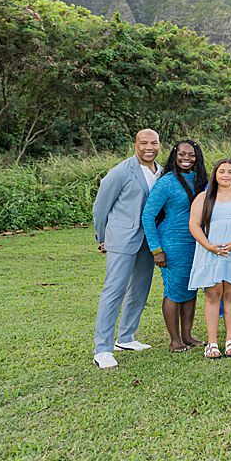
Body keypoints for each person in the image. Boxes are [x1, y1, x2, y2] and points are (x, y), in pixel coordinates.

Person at [92, 128, 162, 369]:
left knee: (140, 289)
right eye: (144, 143)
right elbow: (101, 207)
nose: (149, 147)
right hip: (122, 238)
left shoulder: (161, 172)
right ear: (135, 145)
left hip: (148, 240)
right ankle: (102, 349)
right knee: (114, 291)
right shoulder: (120, 172)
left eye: (153, 143)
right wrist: (101, 237)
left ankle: (126, 337)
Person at [188, 158, 231, 359]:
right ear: (215, 175)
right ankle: (211, 342)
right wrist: (209, 246)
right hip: (211, 251)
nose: (226, 175)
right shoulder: (204, 197)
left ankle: (230, 339)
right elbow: (194, 224)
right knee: (212, 294)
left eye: (230, 172)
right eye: (222, 172)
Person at [141, 139, 208, 352]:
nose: (186, 159)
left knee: (190, 289)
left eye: (191, 155)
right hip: (172, 242)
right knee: (174, 290)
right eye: (182, 154)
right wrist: (156, 249)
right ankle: (175, 340)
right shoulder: (167, 182)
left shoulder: (201, 180)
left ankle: (187, 336)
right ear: (174, 155)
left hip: (195, 242)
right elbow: (148, 215)